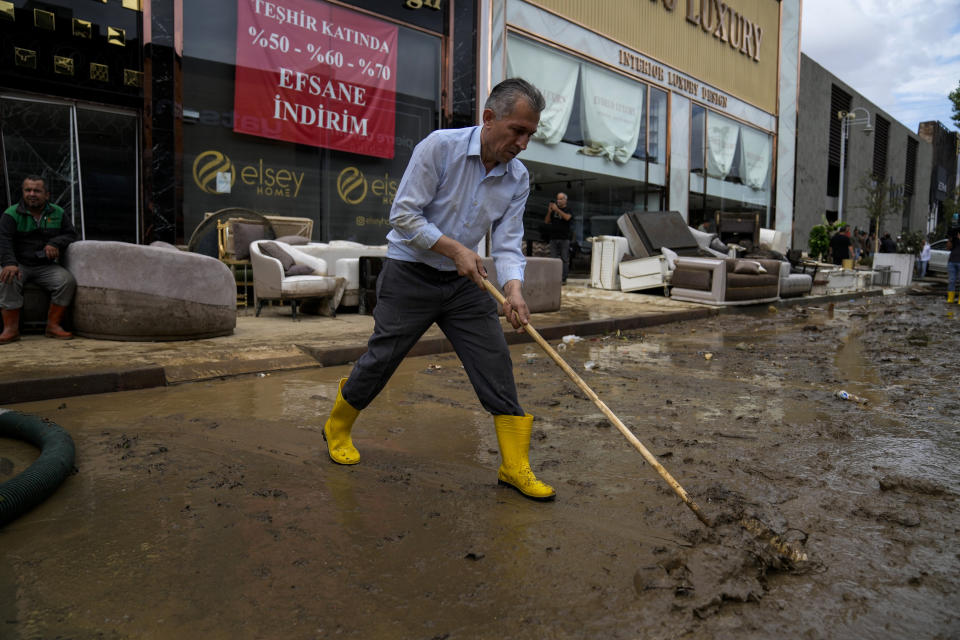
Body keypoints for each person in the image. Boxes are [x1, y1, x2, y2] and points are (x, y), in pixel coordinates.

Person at [320, 78, 556, 501]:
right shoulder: (439, 147)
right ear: (489, 119)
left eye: (530, 134)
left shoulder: (517, 178)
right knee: (381, 359)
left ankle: (514, 466)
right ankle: (337, 426)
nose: (522, 143)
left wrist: (515, 291)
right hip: (411, 274)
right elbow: (404, 216)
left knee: (495, 364)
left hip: (467, 286)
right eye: (517, 130)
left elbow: (506, 242)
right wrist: (455, 250)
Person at [0, 175, 77, 344]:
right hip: (19, 264)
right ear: (23, 192)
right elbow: (4, 240)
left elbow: (71, 234)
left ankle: (53, 326)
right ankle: (11, 329)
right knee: (7, 278)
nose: (32, 194)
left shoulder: (58, 212)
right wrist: (9, 263)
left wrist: (54, 243)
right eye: (28, 190)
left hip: (45, 266)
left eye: (37, 190)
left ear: (47, 195)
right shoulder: (11, 214)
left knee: (67, 281)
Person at [544, 191, 572, 284]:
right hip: (553, 238)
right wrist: (549, 211)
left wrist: (557, 210)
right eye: (557, 199)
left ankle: (563, 278)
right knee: (553, 259)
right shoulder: (554, 210)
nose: (558, 201)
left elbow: (567, 217)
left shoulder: (568, 209)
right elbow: (547, 221)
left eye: (560, 199)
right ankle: (553, 277)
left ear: (565, 200)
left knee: (564, 259)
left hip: (564, 238)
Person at [947, 227, 960, 304]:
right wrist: (950, 239)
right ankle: (950, 299)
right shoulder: (954, 239)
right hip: (952, 262)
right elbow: (948, 248)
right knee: (951, 281)